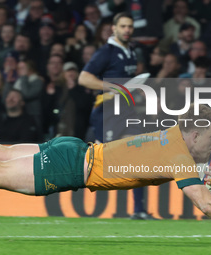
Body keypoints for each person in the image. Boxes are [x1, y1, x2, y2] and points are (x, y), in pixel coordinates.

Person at [0, 86, 211, 239]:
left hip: (76, 149)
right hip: (73, 166)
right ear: (193, 134)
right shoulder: (180, 155)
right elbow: (205, 202)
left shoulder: (176, 138)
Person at [78, 12, 149, 219]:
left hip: (125, 112)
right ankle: (61, 180)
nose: (127, 30)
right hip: (106, 113)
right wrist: (112, 88)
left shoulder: (131, 52)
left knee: (139, 156)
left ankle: (139, 210)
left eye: (130, 26)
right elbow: (84, 78)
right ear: (114, 29)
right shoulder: (106, 52)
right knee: (99, 162)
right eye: (123, 26)